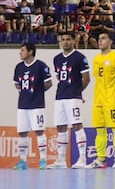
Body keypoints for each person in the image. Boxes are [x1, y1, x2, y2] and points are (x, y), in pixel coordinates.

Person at [50, 32, 90, 169]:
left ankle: (83, 159)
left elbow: (86, 78)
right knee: (60, 127)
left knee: (77, 125)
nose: (65, 42)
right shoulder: (57, 59)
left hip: (73, 97)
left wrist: (78, 92)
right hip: (60, 96)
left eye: (68, 39)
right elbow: (59, 78)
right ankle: (61, 160)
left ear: (73, 41)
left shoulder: (79, 57)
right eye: (63, 40)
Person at [90, 31, 115, 168]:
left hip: (111, 100)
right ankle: (101, 159)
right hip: (98, 100)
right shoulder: (96, 59)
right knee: (99, 130)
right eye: (99, 38)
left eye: (103, 38)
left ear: (110, 41)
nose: (100, 41)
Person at [13, 42, 53, 170]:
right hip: (22, 105)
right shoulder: (19, 67)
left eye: (23, 50)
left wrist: (37, 92)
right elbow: (16, 83)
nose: (20, 52)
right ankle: (23, 161)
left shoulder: (41, 66)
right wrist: (24, 92)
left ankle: (43, 160)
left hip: (37, 105)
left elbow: (48, 83)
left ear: (30, 52)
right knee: (23, 133)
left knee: (39, 131)